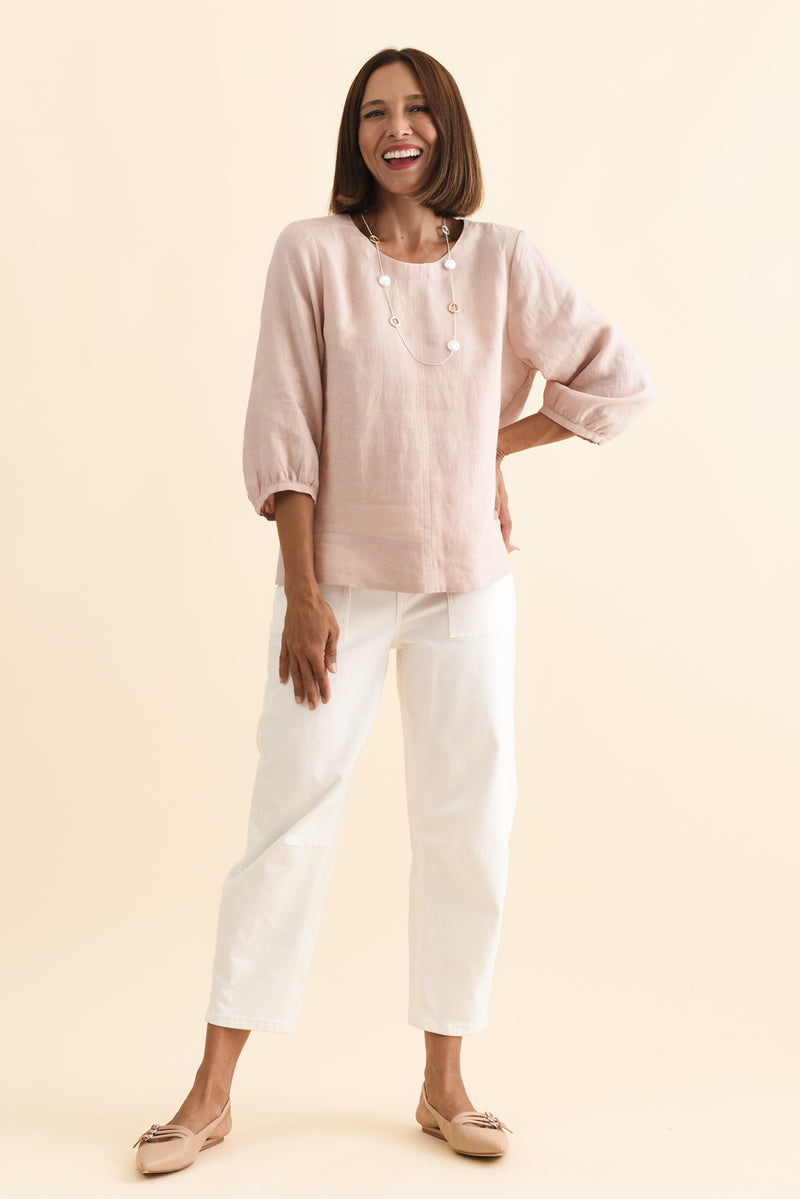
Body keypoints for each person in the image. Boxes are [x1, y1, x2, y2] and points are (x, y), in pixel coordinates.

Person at [132, 46, 655, 1174]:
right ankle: (210, 1093)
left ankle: (443, 1081)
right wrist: (303, 590)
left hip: (468, 583)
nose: (395, 128)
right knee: (288, 816)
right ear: (354, 134)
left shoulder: (505, 259)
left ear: (446, 126)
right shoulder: (311, 252)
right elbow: (284, 422)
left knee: (468, 823)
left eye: (416, 109)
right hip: (339, 588)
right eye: (374, 112)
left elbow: (616, 380)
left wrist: (485, 448)